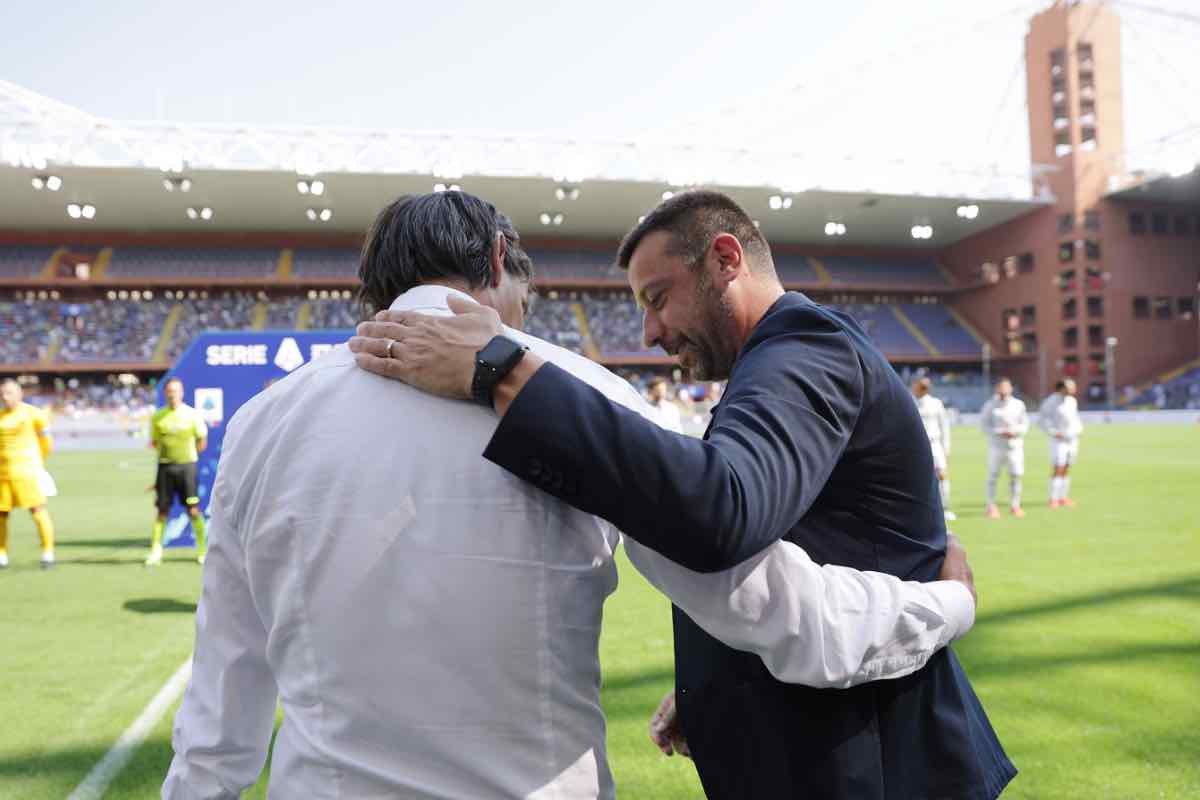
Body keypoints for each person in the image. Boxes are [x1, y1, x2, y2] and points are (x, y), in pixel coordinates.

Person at [167, 192, 980, 800]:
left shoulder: (264, 423)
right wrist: (942, 605)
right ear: (495, 261)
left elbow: (221, 697)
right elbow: (781, 614)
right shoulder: (573, 396)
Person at [145, 378, 208, 566]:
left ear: (182, 393)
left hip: (187, 467)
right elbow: (155, 442)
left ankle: (203, 550)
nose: (173, 394)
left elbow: (201, 441)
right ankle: (156, 551)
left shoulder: (192, 415)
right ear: (165, 394)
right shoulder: (158, 417)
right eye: (169, 391)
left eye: (176, 391)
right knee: (162, 511)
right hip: (165, 468)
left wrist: (187, 457)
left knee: (194, 511)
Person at [0, 379, 56, 569]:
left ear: (19, 393)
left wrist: (39, 462)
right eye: (2, 394)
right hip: (3, 475)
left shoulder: (32, 414)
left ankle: (48, 553)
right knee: (2, 514)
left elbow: (46, 440)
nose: (5, 397)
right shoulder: (1, 416)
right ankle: (2, 554)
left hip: (26, 473)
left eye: (9, 393)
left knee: (37, 510)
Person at [981, 377, 1029, 519]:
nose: (1003, 390)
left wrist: (1016, 431)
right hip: (997, 446)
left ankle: (1015, 505)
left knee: (1016, 475)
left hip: (1015, 446)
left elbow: (1025, 424)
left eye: (1006, 387)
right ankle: (991, 506)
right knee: (993, 476)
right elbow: (984, 425)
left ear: (1010, 388)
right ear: (997, 388)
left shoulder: (1018, 404)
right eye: (1001, 387)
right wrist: (999, 432)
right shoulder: (990, 405)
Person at [912, 375, 956, 520]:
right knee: (916, 477)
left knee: (942, 475)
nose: (924, 387)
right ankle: (920, 509)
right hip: (915, 445)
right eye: (921, 384)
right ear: (914, 385)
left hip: (934, 444)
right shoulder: (908, 401)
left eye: (926, 385)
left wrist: (946, 446)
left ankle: (944, 508)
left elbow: (944, 426)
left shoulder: (936, 403)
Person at [1038, 378, 1083, 508]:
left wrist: (1078, 430)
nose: (1073, 389)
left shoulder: (1072, 401)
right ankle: (1053, 498)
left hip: (1072, 439)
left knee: (1067, 467)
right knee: (1058, 467)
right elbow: (1042, 421)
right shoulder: (1050, 402)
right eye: (1070, 387)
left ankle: (1063, 497)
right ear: (1061, 388)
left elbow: (1075, 419)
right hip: (1058, 440)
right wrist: (1054, 432)